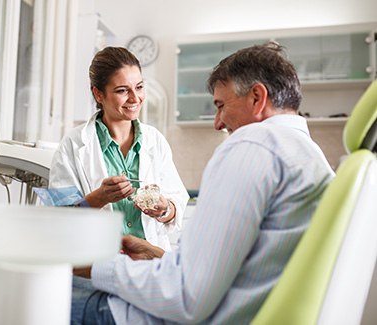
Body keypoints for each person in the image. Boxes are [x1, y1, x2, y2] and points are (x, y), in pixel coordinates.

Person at [69, 42, 335, 324]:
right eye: (123, 90)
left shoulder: (253, 145)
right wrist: (157, 254)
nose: (217, 123)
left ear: (257, 97)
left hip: (162, 312)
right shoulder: (310, 155)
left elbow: (184, 295)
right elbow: (230, 269)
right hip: (197, 294)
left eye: (221, 105)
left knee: (40, 295)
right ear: (99, 95)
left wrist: (100, 266)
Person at [49, 47, 189, 251]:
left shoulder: (155, 141)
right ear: (98, 94)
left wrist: (165, 208)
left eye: (139, 87)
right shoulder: (73, 144)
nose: (135, 98)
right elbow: (58, 219)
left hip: (149, 266)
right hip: (97, 265)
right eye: (122, 90)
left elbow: (178, 203)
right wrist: (99, 198)